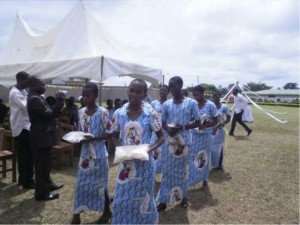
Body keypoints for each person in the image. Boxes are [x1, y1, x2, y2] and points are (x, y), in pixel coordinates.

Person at [111, 78, 165, 224]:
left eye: (138, 91)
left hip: (145, 166)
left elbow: (161, 138)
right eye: (131, 90)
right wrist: (121, 149)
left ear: (144, 94)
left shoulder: (151, 114)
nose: (133, 94)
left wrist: (148, 149)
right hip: (126, 165)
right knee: (121, 199)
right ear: (127, 91)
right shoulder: (119, 113)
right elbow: (114, 136)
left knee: (144, 199)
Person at [156, 76, 200, 211]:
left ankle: (184, 197)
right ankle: (163, 200)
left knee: (182, 171)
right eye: (170, 86)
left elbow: (198, 121)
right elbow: (162, 121)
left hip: (184, 142)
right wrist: (168, 129)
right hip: (169, 142)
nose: (171, 89)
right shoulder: (166, 104)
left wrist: (183, 127)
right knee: (167, 171)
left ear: (180, 85)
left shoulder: (191, 103)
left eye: (173, 86)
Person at [70, 82, 112, 224]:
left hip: (100, 155)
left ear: (95, 95)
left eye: (88, 95)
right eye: (84, 95)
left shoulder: (103, 112)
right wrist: (78, 139)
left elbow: (110, 134)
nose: (85, 98)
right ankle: (76, 216)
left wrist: (95, 138)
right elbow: (81, 131)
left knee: (102, 185)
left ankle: (106, 212)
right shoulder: (80, 112)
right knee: (81, 184)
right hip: (85, 156)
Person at [27, 76, 64, 201]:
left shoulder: (38, 97)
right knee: (41, 166)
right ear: (33, 85)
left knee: (46, 164)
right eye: (42, 84)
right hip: (40, 138)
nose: (45, 87)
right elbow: (49, 115)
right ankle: (41, 193)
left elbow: (51, 114)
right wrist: (59, 101)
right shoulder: (34, 99)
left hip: (44, 137)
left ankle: (48, 184)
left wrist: (58, 104)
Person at [9, 71, 35, 189]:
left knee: (24, 155)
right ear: (21, 80)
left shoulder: (23, 91)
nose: (29, 83)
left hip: (26, 126)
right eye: (27, 81)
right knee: (26, 156)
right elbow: (26, 107)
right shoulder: (15, 92)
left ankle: (23, 179)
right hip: (21, 127)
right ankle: (27, 181)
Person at [189, 85, 218, 190]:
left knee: (204, 156)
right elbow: (191, 118)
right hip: (194, 135)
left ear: (202, 93)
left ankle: (204, 179)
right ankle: (193, 179)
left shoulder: (211, 106)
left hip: (206, 136)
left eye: (197, 95)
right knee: (192, 157)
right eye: (194, 95)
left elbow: (216, 121)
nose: (195, 97)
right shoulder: (193, 105)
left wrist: (205, 125)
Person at [150, 85, 169, 174]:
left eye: (164, 91)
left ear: (168, 92)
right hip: (156, 132)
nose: (162, 92)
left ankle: (164, 173)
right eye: (161, 90)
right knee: (155, 151)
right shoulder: (154, 103)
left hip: (166, 132)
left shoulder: (169, 104)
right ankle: (153, 171)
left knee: (165, 152)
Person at [211, 91, 231, 170]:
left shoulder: (224, 107)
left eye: (217, 96)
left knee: (220, 147)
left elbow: (228, 118)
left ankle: (220, 164)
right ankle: (213, 164)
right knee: (212, 147)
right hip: (212, 131)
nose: (215, 97)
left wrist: (222, 123)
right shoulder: (211, 106)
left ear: (220, 96)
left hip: (220, 131)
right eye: (214, 96)